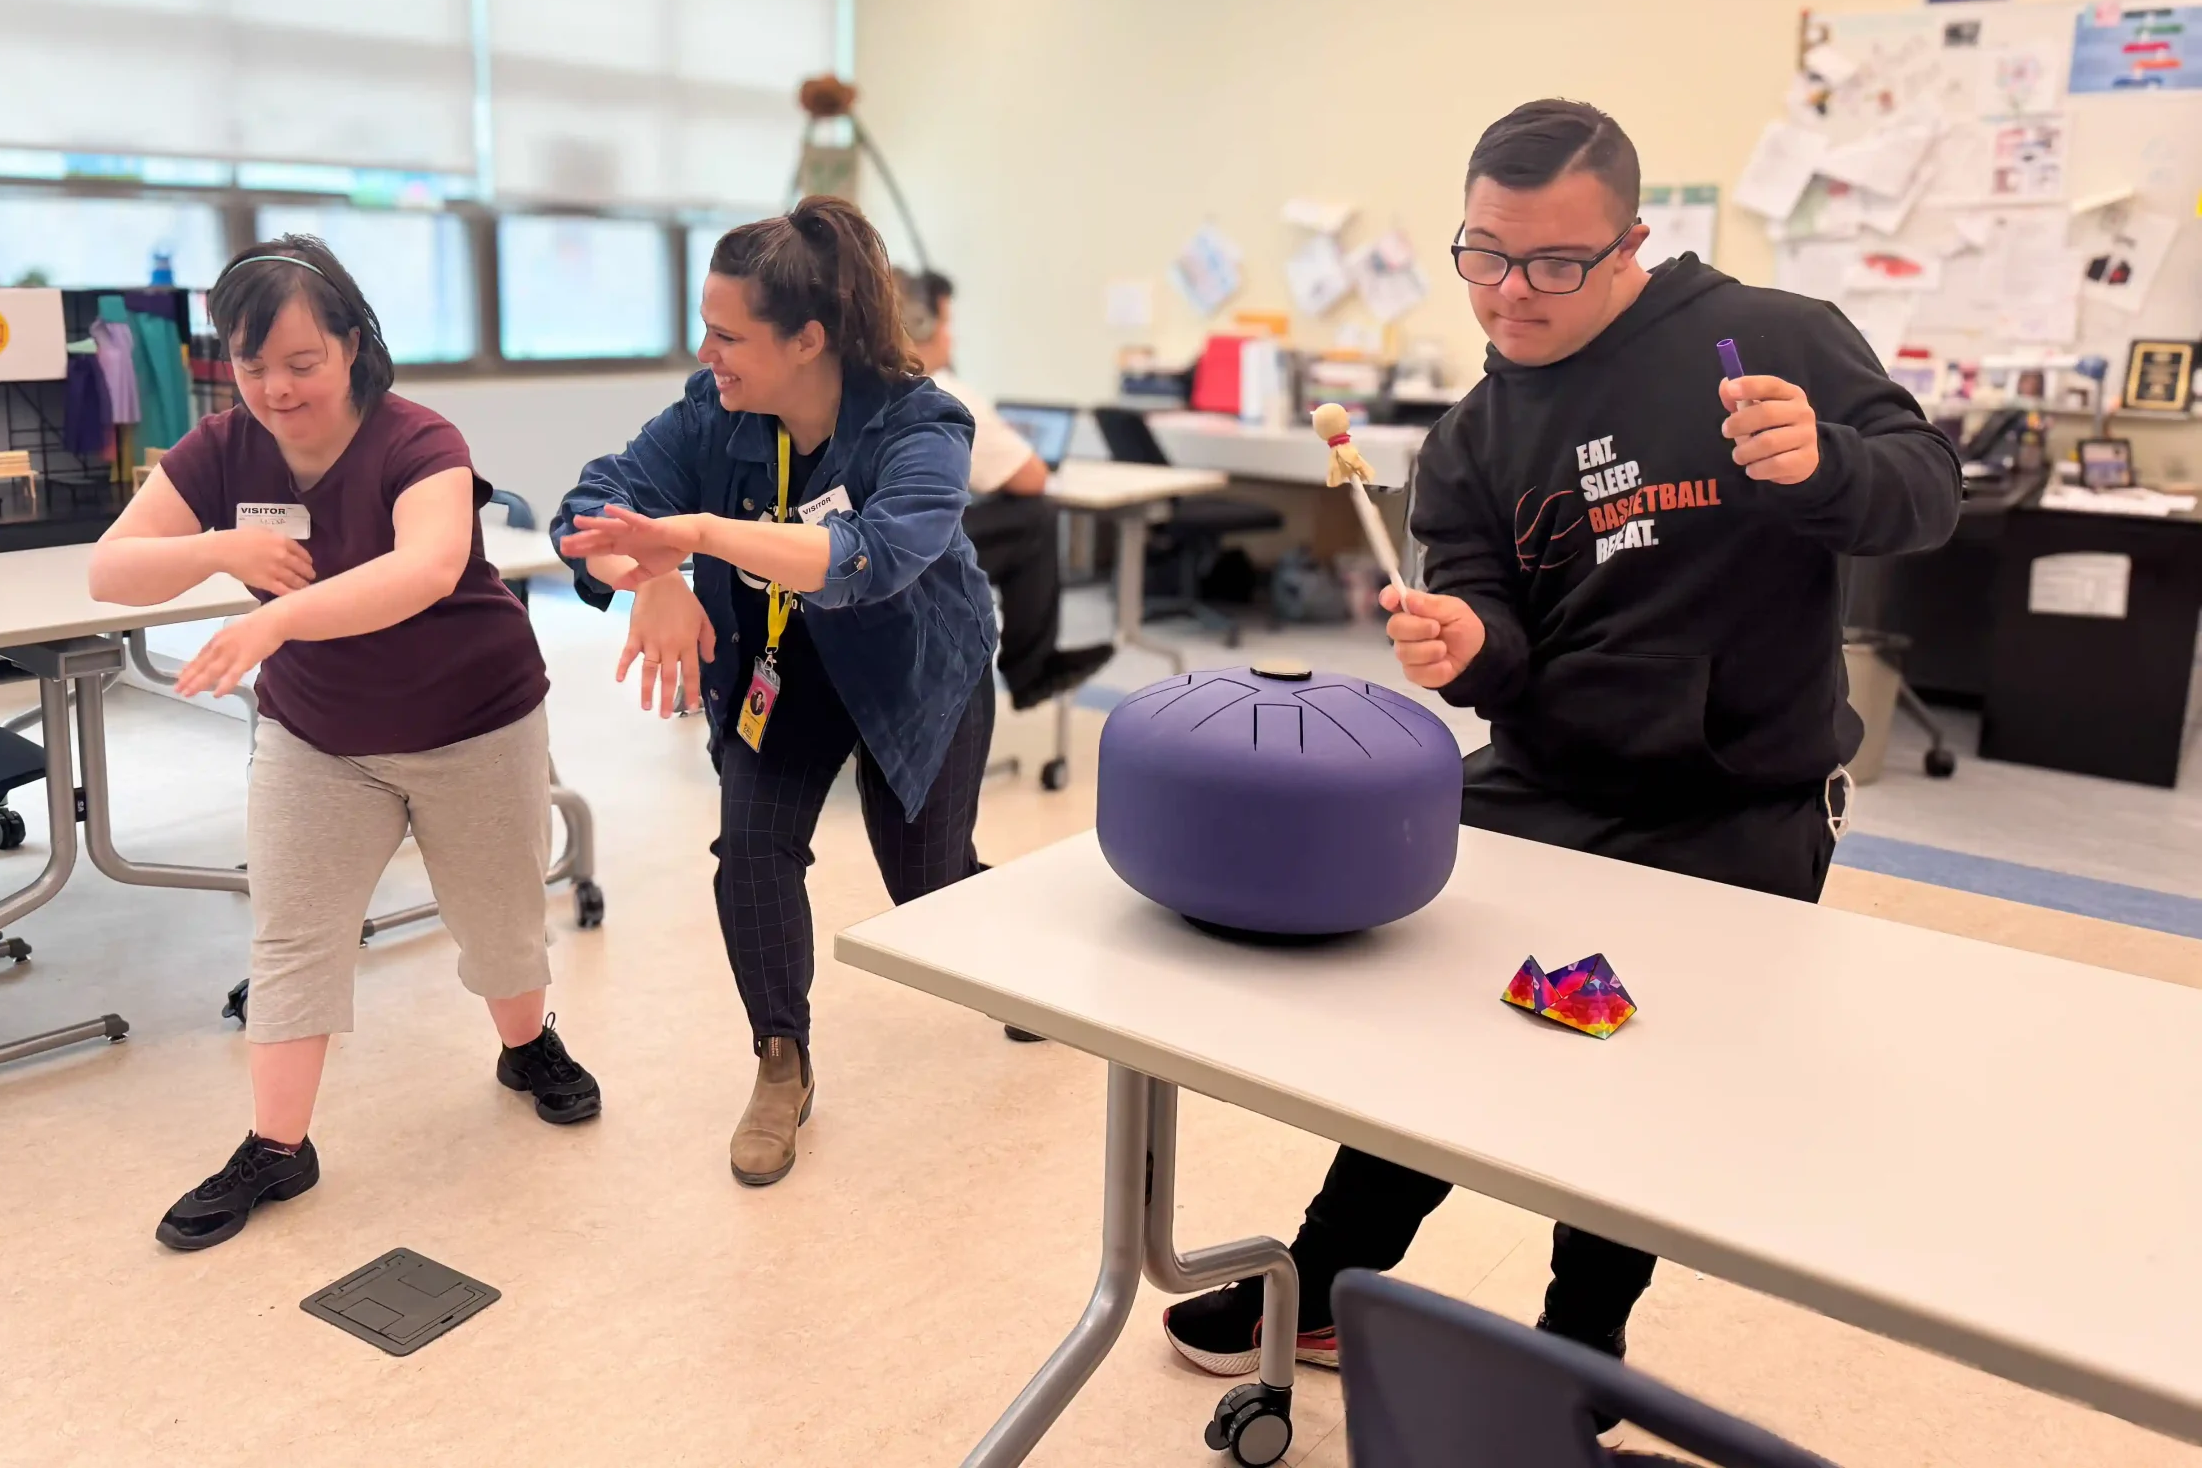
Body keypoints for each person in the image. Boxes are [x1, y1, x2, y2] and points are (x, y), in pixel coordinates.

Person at [1163, 99, 1961, 1390]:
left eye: (1553, 263)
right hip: (1548, 784)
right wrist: (1462, 643)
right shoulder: (1471, 437)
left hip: (1735, 802)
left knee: (1633, 1083)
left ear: (1634, 239)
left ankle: (1584, 1338)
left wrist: (1826, 466)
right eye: (1483, 253)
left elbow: (1929, 490)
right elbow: (1500, 630)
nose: (1510, 293)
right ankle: (1319, 1281)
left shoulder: (1769, 335)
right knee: (1444, 1029)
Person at [89, 234, 599, 1253]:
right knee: (292, 935)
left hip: (473, 719)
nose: (275, 389)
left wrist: (276, 618)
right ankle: (278, 1147)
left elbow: (425, 568)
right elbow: (113, 572)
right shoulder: (221, 450)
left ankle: (527, 1045)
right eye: (250, 365)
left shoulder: (420, 441)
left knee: (498, 924)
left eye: (301, 363)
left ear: (355, 345)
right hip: (319, 734)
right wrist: (216, 549)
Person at [553, 197, 1002, 1188]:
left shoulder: (922, 423)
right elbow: (590, 502)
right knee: (750, 852)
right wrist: (657, 575)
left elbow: (871, 558)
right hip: (778, 673)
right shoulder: (714, 412)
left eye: (728, 334)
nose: (708, 353)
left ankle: (1014, 955)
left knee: (926, 886)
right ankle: (780, 1060)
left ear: (809, 338)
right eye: (705, 330)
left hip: (914, 671)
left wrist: (698, 534)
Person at [900, 269, 1113, 710]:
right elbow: (1031, 477)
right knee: (1036, 517)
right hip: (914, 562)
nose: (951, 339)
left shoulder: (856, 381)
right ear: (918, 324)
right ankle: (1031, 670)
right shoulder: (943, 393)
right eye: (947, 324)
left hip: (854, 554)